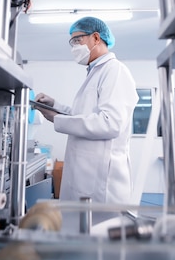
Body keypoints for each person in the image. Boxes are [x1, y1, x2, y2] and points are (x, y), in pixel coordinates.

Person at [34, 16, 139, 216]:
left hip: (102, 183)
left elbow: (110, 124)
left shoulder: (114, 70)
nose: (74, 47)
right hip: (86, 176)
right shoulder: (96, 72)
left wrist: (56, 118)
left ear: (96, 38)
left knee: (100, 239)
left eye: (77, 40)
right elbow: (85, 115)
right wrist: (55, 106)